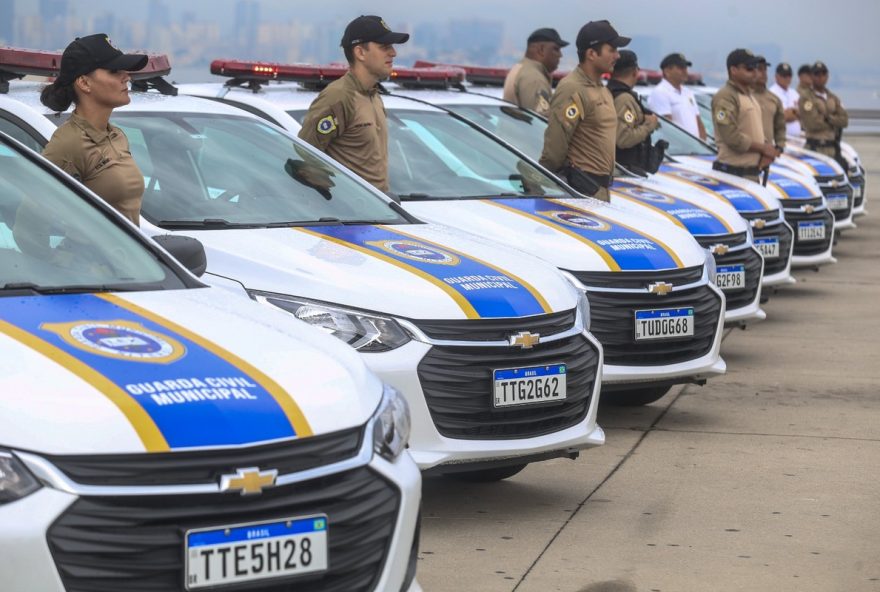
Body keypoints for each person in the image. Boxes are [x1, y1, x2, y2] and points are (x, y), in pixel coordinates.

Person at [36, 34, 148, 225]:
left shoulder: (117, 136)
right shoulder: (69, 143)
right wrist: (65, 256)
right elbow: (28, 226)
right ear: (84, 83)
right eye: (114, 71)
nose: (126, 77)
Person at [298, 15, 409, 192]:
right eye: (384, 46)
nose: (393, 53)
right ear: (360, 52)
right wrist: (339, 199)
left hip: (378, 210)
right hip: (352, 214)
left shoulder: (373, 95)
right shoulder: (339, 96)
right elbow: (305, 153)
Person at [539, 20, 630, 202]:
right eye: (611, 50)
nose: (617, 56)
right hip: (580, 193)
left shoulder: (602, 90)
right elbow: (555, 149)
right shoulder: (573, 89)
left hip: (598, 192)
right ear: (591, 54)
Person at [710, 49, 777, 184]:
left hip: (750, 173)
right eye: (749, 68)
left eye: (755, 68)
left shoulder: (748, 95)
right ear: (733, 70)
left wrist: (767, 151)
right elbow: (732, 138)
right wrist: (763, 148)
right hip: (733, 173)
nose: (755, 72)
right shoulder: (726, 97)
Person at [606, 49, 661, 173]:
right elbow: (623, 138)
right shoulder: (624, 99)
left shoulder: (610, 92)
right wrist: (649, 125)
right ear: (635, 71)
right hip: (624, 170)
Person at [502, 28, 568, 115]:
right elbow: (541, 122)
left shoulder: (521, 68)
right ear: (541, 50)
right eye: (556, 49)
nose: (560, 55)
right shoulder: (535, 79)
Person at [798, 61, 849, 167]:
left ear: (827, 76)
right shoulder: (806, 98)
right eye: (817, 74)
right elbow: (812, 123)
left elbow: (844, 120)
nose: (821, 77)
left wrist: (827, 118)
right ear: (811, 76)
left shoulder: (833, 97)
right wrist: (834, 121)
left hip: (833, 147)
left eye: (823, 74)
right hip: (815, 148)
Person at [646, 52, 706, 140]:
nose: (685, 71)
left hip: (695, 148)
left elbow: (698, 121)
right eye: (681, 68)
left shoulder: (687, 92)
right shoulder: (660, 92)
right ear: (667, 71)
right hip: (678, 148)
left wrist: (702, 144)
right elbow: (667, 127)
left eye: (686, 68)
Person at [752, 56, 786, 156]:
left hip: (768, 154)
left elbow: (780, 127)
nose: (763, 73)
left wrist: (779, 147)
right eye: (759, 69)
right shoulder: (744, 97)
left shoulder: (774, 99)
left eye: (765, 69)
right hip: (748, 153)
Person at [768, 62, 801, 137]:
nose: (787, 78)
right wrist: (795, 113)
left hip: (796, 138)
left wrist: (792, 113)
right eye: (784, 76)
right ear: (776, 76)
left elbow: (804, 114)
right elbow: (780, 117)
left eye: (789, 75)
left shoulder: (794, 93)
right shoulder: (771, 93)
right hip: (780, 137)